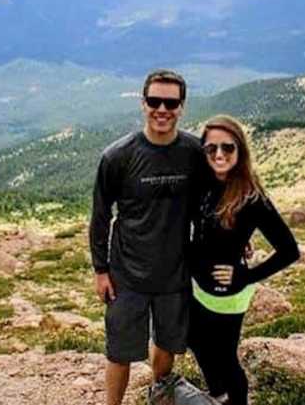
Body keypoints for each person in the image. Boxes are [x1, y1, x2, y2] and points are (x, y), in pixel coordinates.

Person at [89, 69, 206, 405]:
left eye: (171, 102)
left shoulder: (194, 152)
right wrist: (101, 270)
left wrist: (237, 237)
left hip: (175, 272)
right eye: (154, 101)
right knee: (120, 351)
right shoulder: (117, 157)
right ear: (143, 103)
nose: (162, 109)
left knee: (168, 344)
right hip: (126, 273)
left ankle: (160, 395)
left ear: (181, 107)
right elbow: (100, 216)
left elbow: (211, 204)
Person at [188, 115, 300, 405]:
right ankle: (219, 394)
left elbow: (290, 250)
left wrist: (246, 276)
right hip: (198, 286)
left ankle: (233, 400)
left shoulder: (251, 196)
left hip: (228, 293)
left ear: (240, 151)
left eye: (228, 148)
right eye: (211, 149)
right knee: (195, 340)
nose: (219, 155)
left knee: (225, 358)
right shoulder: (203, 182)